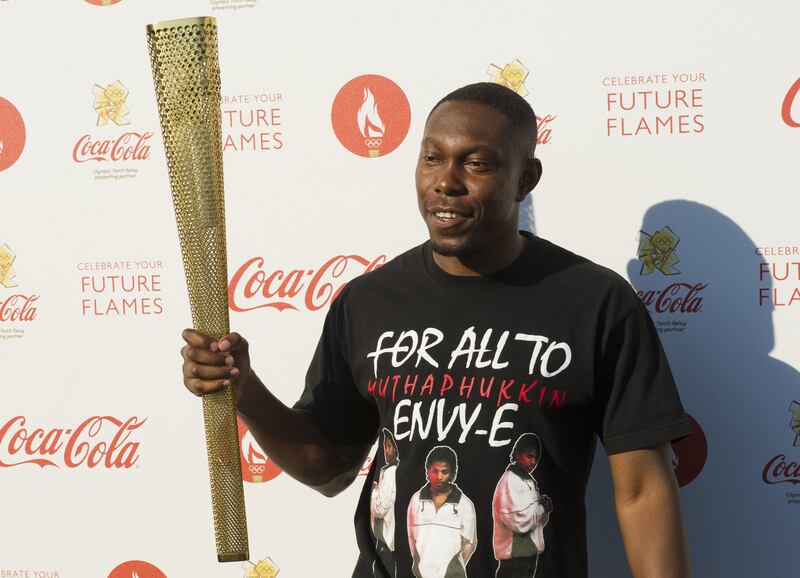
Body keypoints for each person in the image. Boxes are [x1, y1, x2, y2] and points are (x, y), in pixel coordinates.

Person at [181, 82, 692, 577]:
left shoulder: (594, 303)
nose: (446, 181)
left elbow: (643, 489)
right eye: (432, 158)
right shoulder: (368, 303)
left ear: (525, 178)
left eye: (477, 163)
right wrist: (244, 391)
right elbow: (328, 467)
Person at [406, 446, 477, 578]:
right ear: (428, 470)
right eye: (435, 471)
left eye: (445, 472)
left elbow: (470, 543)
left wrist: (454, 565)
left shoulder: (465, 504)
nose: (439, 476)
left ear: (452, 473)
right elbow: (411, 538)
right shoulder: (416, 500)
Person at [492, 433, 553, 578]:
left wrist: (545, 511)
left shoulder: (528, 481)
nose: (533, 462)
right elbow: (519, 523)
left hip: (529, 554)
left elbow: (536, 524)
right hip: (514, 559)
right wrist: (541, 508)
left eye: (536, 458)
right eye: (529, 456)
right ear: (517, 454)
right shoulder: (510, 481)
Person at [372, 429, 400, 576]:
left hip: (386, 541)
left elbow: (381, 507)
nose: (387, 450)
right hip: (383, 539)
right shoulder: (387, 471)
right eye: (385, 446)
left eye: (390, 446)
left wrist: (374, 491)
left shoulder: (391, 472)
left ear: (396, 449)